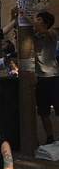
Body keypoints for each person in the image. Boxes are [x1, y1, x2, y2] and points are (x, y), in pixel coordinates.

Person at [33, 11, 59, 145]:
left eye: (38, 19)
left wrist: (26, 18)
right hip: (40, 78)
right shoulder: (34, 36)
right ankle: (50, 137)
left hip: (53, 77)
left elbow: (45, 31)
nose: (35, 21)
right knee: (43, 111)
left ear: (45, 22)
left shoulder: (52, 34)